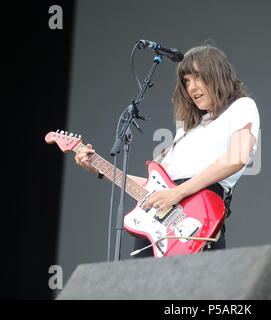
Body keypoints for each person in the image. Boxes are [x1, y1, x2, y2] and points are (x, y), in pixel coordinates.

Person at [74, 44, 260, 257]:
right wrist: (98, 168)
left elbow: (237, 157)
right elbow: (154, 188)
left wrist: (177, 193)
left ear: (217, 75)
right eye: (186, 81)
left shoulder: (241, 106)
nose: (191, 87)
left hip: (196, 220)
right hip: (157, 223)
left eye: (197, 77)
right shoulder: (187, 130)